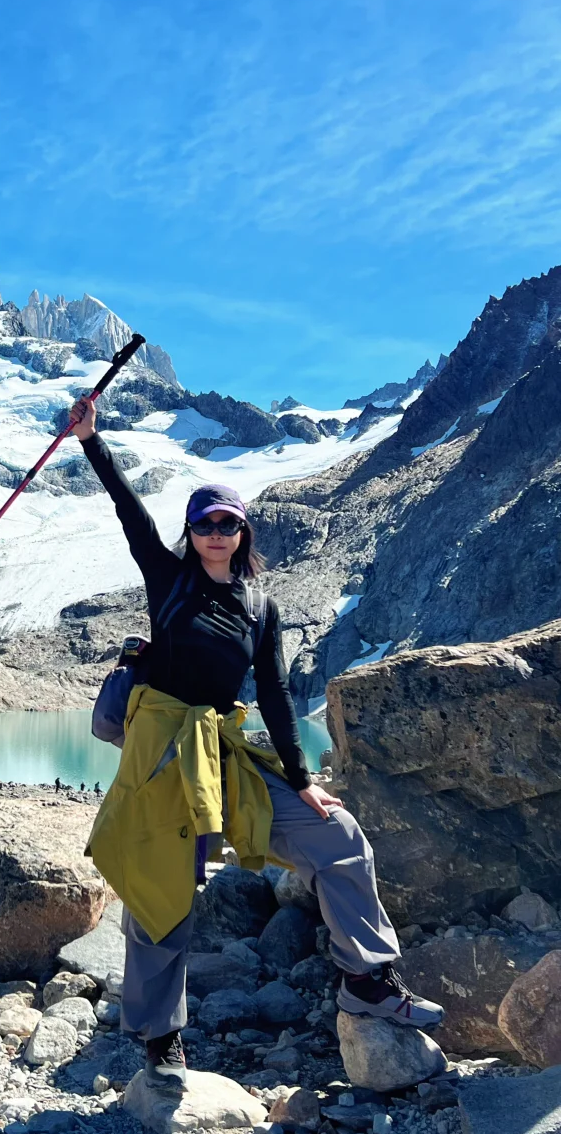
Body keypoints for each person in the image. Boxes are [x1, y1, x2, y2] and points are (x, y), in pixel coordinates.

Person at [69, 396, 444, 1095]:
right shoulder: (170, 578)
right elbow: (128, 511)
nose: (217, 533)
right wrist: (93, 442)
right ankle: (161, 1037)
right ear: (191, 530)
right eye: (206, 523)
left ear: (244, 532)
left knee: (340, 834)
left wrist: (301, 779)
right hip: (162, 752)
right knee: (162, 890)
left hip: (225, 750)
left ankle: (367, 978)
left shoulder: (261, 604)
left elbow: (272, 694)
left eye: (229, 524)